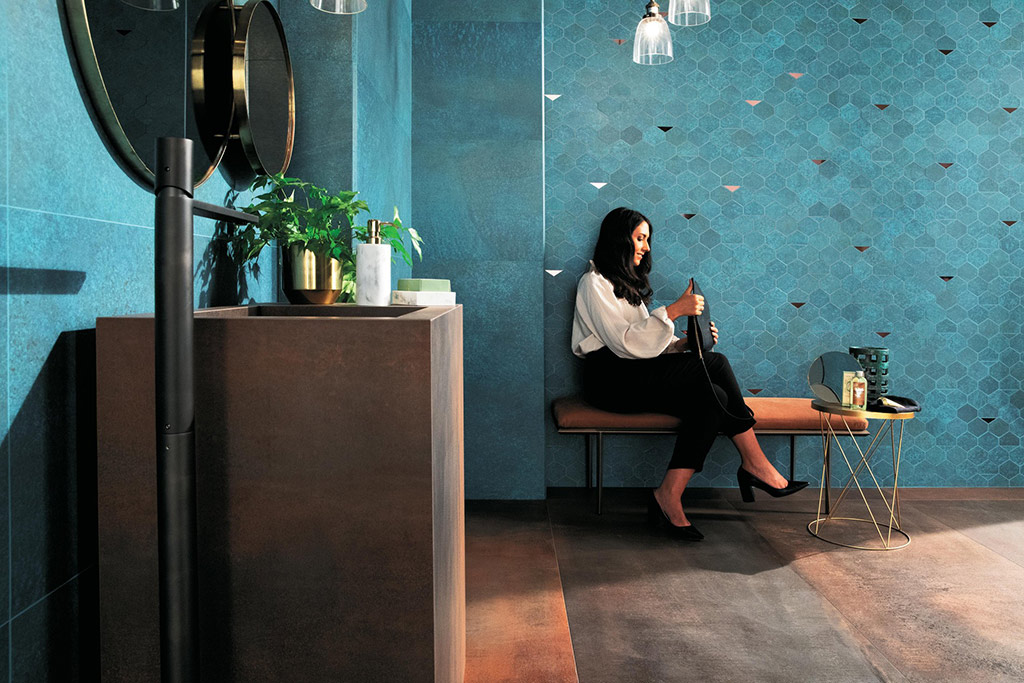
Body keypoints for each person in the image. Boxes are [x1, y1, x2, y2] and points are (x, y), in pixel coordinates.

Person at [571, 207, 808, 541]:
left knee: (714, 398)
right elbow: (624, 344)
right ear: (619, 239)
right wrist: (673, 311)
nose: (646, 247)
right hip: (609, 380)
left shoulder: (625, 286)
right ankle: (754, 463)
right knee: (716, 363)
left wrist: (684, 344)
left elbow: (643, 344)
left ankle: (668, 495)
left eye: (647, 240)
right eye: (640, 238)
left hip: (634, 373)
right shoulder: (593, 283)